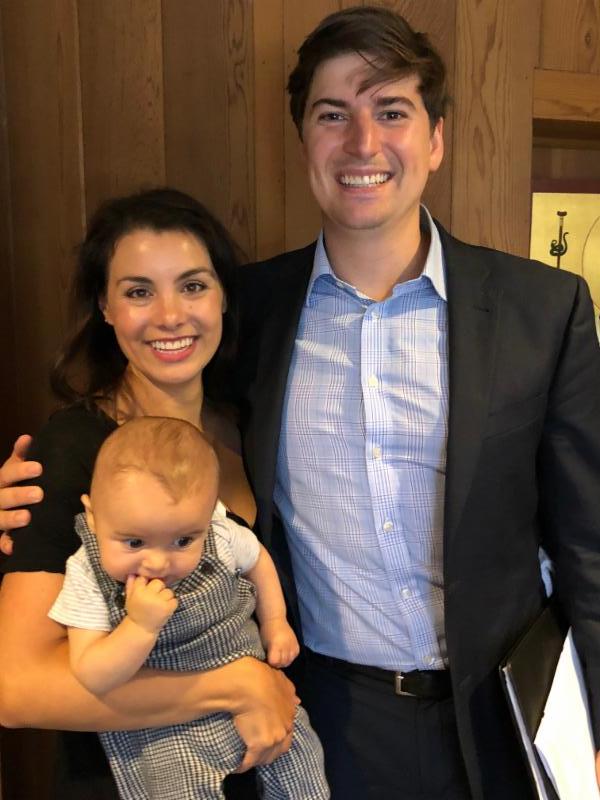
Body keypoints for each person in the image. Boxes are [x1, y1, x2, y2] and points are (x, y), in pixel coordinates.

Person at [2, 6, 600, 800]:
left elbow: (590, 543)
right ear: (304, 140)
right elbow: (134, 435)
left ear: (436, 139)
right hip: (324, 722)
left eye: (392, 111)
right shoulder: (250, 314)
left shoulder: (544, 308)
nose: (363, 143)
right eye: (332, 115)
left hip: (502, 718)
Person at [0, 188, 299, 799]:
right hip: (127, 781)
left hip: (257, 770)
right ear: (105, 308)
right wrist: (233, 686)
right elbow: (16, 688)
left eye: (193, 286)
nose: (170, 316)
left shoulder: (250, 427)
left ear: (222, 297)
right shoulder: (75, 449)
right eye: (139, 292)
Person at [49, 416, 328, 800]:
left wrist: (275, 623)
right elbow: (92, 673)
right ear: (94, 515)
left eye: (182, 541)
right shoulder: (87, 573)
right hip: (169, 726)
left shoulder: (219, 534)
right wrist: (139, 628)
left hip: (265, 699)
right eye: (134, 543)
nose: (158, 563)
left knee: (303, 768)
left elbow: (257, 560)